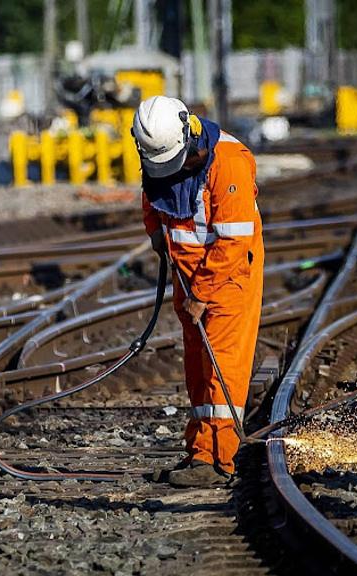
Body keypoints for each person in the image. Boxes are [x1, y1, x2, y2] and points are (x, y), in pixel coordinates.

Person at [134, 95, 264, 487]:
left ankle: (221, 459)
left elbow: (232, 241)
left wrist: (202, 294)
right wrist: (156, 233)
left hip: (226, 279)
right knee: (197, 369)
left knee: (222, 367)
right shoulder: (158, 147)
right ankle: (200, 452)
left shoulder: (228, 164)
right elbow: (151, 193)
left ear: (189, 136)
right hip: (187, 278)